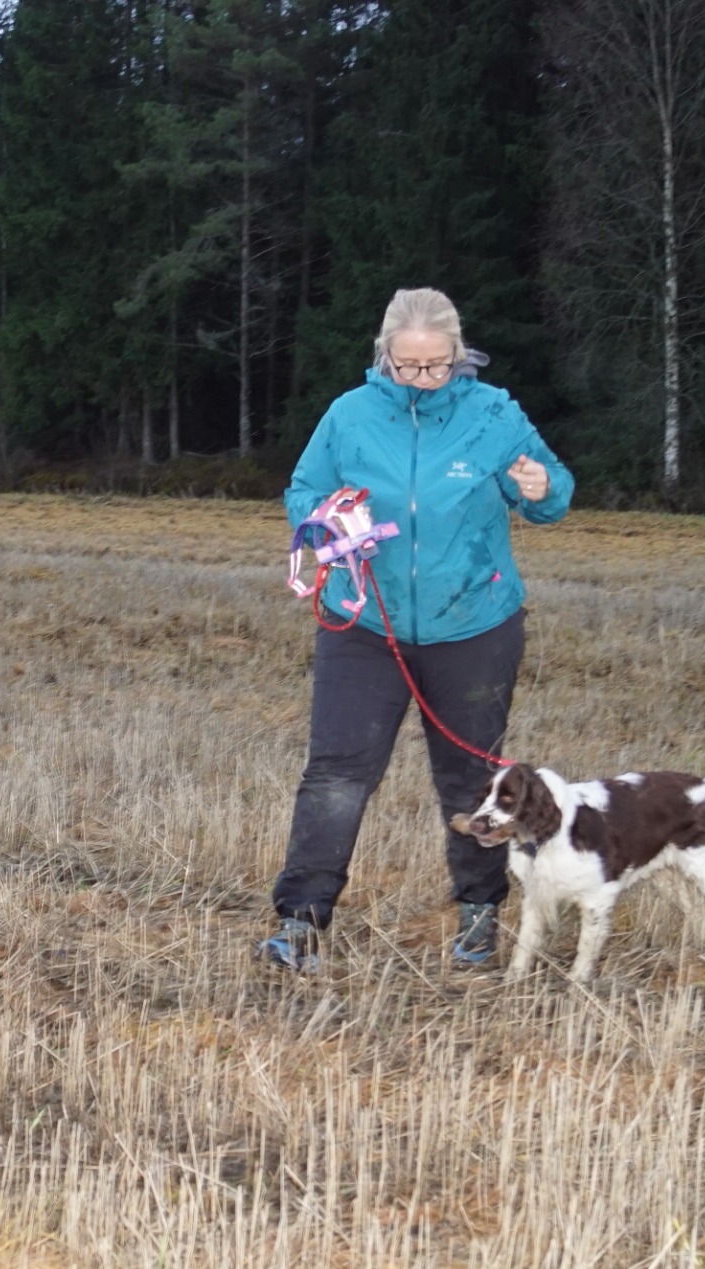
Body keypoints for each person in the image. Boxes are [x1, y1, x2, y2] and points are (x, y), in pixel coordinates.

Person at [261, 287, 572, 972]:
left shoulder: (494, 414)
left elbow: (552, 491)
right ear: (385, 356)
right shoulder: (349, 414)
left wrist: (541, 488)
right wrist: (324, 519)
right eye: (407, 365)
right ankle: (299, 922)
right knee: (336, 775)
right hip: (363, 622)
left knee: (471, 780)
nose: (422, 377)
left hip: (473, 625)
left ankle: (479, 916)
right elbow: (302, 490)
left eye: (436, 365)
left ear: (459, 355)